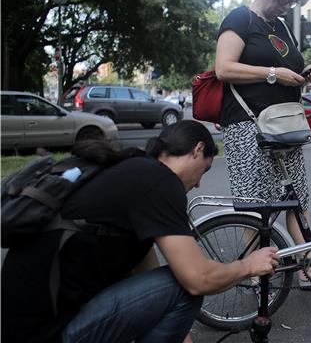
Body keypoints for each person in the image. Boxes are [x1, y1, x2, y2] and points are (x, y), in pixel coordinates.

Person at [1, 120, 279, 343]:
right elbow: (197, 279)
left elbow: (144, 272)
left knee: (172, 284)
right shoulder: (160, 181)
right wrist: (247, 266)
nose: (198, 185)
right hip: (48, 333)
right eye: (204, 170)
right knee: (184, 289)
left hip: (22, 326)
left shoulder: (132, 170)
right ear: (197, 149)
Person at [215, 0, 311, 295]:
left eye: (291, 1)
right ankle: (256, 275)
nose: (287, 6)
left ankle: (308, 268)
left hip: (285, 124)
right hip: (248, 126)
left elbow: (288, 66)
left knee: (297, 199)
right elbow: (223, 68)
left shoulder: (281, 25)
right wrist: (273, 73)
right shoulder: (240, 19)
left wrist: (302, 73)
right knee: (254, 203)